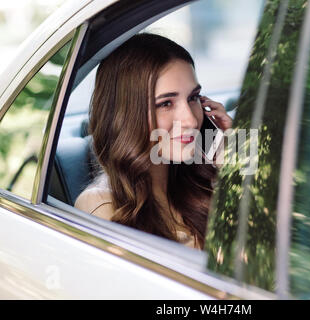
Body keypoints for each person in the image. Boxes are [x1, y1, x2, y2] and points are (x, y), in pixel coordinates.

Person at [74, 33, 232, 250]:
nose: (191, 119)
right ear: (125, 116)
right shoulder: (101, 204)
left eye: (193, 97)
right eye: (166, 103)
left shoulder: (199, 181)